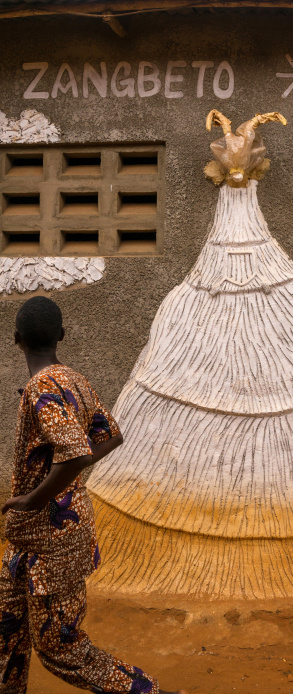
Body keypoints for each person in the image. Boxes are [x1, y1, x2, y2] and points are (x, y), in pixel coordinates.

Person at [0, 296, 184, 694]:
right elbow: (110, 436)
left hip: (51, 541)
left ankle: (148, 691)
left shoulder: (41, 390)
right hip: (31, 541)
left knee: (60, 650)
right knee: (6, 627)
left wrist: (36, 497)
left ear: (16, 340)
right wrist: (67, 475)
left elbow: (75, 450)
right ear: (62, 336)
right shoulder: (75, 381)